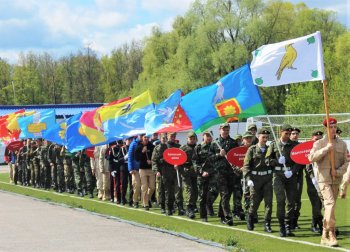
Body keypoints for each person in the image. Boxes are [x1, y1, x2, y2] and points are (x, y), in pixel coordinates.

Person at [309, 117, 349, 247]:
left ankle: (324, 235)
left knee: (329, 207)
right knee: (330, 203)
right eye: (330, 127)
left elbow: (347, 162)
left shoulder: (342, 144)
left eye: (334, 127)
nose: (333, 129)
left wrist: (337, 172)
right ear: (325, 128)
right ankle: (331, 233)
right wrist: (326, 149)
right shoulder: (319, 143)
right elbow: (311, 158)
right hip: (323, 179)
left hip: (336, 179)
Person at [265, 124, 301, 237]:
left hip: (290, 175)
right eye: (286, 133)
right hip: (278, 175)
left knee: (291, 202)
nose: (288, 136)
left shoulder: (295, 145)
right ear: (281, 132)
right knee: (281, 200)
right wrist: (276, 162)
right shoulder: (274, 144)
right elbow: (267, 160)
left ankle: (287, 226)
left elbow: (299, 161)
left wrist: (293, 171)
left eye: (290, 134)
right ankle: (281, 226)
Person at [243, 128, 273, 232]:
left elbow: (273, 162)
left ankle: (267, 224)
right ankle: (250, 219)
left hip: (268, 179)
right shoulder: (252, 149)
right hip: (255, 180)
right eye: (263, 137)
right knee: (254, 202)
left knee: (269, 203)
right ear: (258, 137)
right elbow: (246, 166)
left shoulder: (270, 149)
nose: (265, 139)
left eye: (266, 137)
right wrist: (248, 179)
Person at [193, 131, 218, 222]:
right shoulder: (198, 147)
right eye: (207, 136)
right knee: (202, 195)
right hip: (202, 175)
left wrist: (221, 153)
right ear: (203, 136)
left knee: (215, 191)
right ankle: (203, 215)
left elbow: (219, 158)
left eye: (210, 136)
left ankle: (209, 204)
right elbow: (195, 162)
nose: (209, 137)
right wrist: (201, 171)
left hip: (213, 174)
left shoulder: (215, 146)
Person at [216, 123, 238, 226]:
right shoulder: (215, 143)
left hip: (231, 172)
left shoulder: (233, 142)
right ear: (220, 130)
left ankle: (221, 214)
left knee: (227, 195)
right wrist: (218, 155)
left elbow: (236, 156)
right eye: (223, 129)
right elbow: (210, 158)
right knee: (224, 194)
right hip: (220, 173)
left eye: (227, 129)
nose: (225, 131)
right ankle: (228, 216)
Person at [305, 131, 324, 233]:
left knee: (321, 204)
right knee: (316, 203)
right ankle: (318, 225)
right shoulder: (309, 150)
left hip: (323, 180)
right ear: (312, 139)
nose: (318, 141)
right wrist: (313, 177)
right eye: (316, 139)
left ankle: (316, 224)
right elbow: (308, 166)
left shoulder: (323, 150)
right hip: (312, 182)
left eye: (320, 139)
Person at [180, 131, 198, 219]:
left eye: (194, 138)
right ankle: (189, 208)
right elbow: (177, 159)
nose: (192, 140)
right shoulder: (183, 148)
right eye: (190, 138)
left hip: (196, 173)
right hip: (186, 173)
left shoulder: (198, 148)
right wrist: (178, 166)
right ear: (187, 139)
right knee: (189, 190)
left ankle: (193, 205)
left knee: (195, 190)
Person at [135, 135, 155, 210]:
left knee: (152, 187)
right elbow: (136, 158)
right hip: (142, 169)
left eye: (147, 137)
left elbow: (155, 156)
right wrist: (142, 152)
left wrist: (151, 161)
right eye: (144, 137)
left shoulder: (151, 146)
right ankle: (145, 203)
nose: (146, 138)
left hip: (151, 169)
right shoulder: (139, 146)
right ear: (142, 138)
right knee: (145, 187)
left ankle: (147, 199)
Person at [128, 135, 141, 208]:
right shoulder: (133, 144)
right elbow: (130, 157)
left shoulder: (144, 143)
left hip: (143, 168)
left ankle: (145, 201)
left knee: (144, 186)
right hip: (135, 169)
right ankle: (134, 201)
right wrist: (130, 168)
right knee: (136, 185)